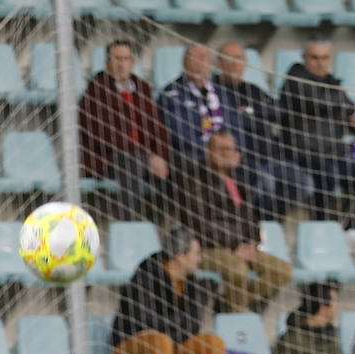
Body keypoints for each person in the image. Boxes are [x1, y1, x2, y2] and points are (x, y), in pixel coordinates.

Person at [110, 223, 232, 354]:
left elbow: (194, 323)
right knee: (160, 342)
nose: (199, 259)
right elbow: (142, 319)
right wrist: (175, 328)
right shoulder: (147, 271)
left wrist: (169, 330)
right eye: (196, 253)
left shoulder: (191, 279)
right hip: (129, 346)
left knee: (213, 342)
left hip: (170, 346)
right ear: (180, 256)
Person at [278, 40, 355, 236]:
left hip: (335, 154)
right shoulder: (295, 81)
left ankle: (353, 229)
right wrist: (344, 109)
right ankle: (322, 230)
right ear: (304, 58)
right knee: (327, 173)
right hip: (302, 155)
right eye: (314, 57)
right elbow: (317, 103)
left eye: (324, 58)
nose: (320, 63)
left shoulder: (333, 85)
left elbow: (354, 113)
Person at [183, 130, 292, 314]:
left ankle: (228, 304)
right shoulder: (195, 180)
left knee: (284, 270)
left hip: (238, 247)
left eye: (230, 149)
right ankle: (234, 315)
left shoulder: (237, 181)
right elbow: (200, 224)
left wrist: (251, 243)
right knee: (238, 270)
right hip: (207, 248)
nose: (227, 153)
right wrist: (236, 245)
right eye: (221, 149)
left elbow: (250, 218)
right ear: (208, 151)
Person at [214, 42, 313, 222]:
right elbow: (231, 119)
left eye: (238, 59)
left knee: (305, 185)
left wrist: (250, 111)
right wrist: (256, 113)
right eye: (228, 59)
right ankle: (254, 223)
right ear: (218, 63)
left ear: (245, 62)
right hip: (243, 157)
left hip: (271, 155)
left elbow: (277, 111)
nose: (233, 64)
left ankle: (269, 221)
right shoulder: (214, 90)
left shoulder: (252, 89)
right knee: (265, 183)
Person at [77, 39, 171, 224]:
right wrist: (146, 155)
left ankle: (167, 223)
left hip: (145, 157)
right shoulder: (95, 91)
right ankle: (128, 224)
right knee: (132, 162)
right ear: (107, 63)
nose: (121, 64)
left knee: (182, 163)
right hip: (106, 158)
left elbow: (158, 128)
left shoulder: (143, 88)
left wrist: (159, 155)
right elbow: (102, 135)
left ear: (133, 63)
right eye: (116, 59)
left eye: (125, 59)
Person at [158, 44, 228, 180]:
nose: (198, 63)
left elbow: (235, 125)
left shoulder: (222, 92)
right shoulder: (171, 93)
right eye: (192, 58)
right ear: (184, 63)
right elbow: (178, 133)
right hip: (193, 154)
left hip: (225, 153)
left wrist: (232, 149)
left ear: (211, 63)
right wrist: (211, 151)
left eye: (202, 58)